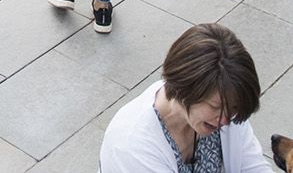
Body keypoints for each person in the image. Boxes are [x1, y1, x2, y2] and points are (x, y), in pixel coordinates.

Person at [97, 22, 269, 172]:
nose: (225, 120)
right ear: (184, 89)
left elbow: (253, 166)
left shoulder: (226, 103)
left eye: (234, 108)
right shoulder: (132, 147)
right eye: (215, 107)